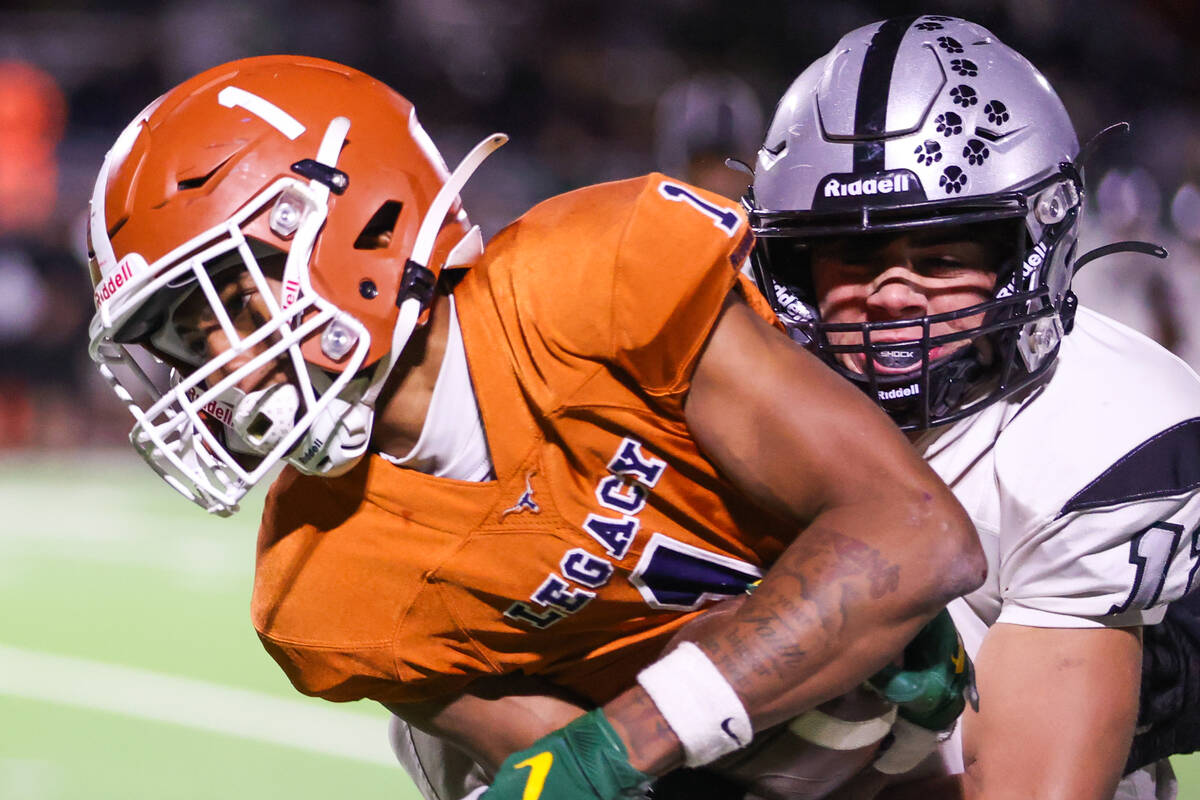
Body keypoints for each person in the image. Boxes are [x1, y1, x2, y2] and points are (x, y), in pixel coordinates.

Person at [84, 56, 983, 800]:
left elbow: (920, 534)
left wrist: (622, 741)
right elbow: (593, 778)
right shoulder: (319, 589)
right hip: (735, 748)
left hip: (956, 596)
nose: (224, 368)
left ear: (365, 219)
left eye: (234, 302)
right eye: (186, 337)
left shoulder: (592, 272)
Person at [743, 15, 1200, 800]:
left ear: (1029, 248)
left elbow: (1021, 782)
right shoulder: (721, 387)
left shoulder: (1104, 421)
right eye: (851, 256)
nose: (891, 295)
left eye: (941, 257)